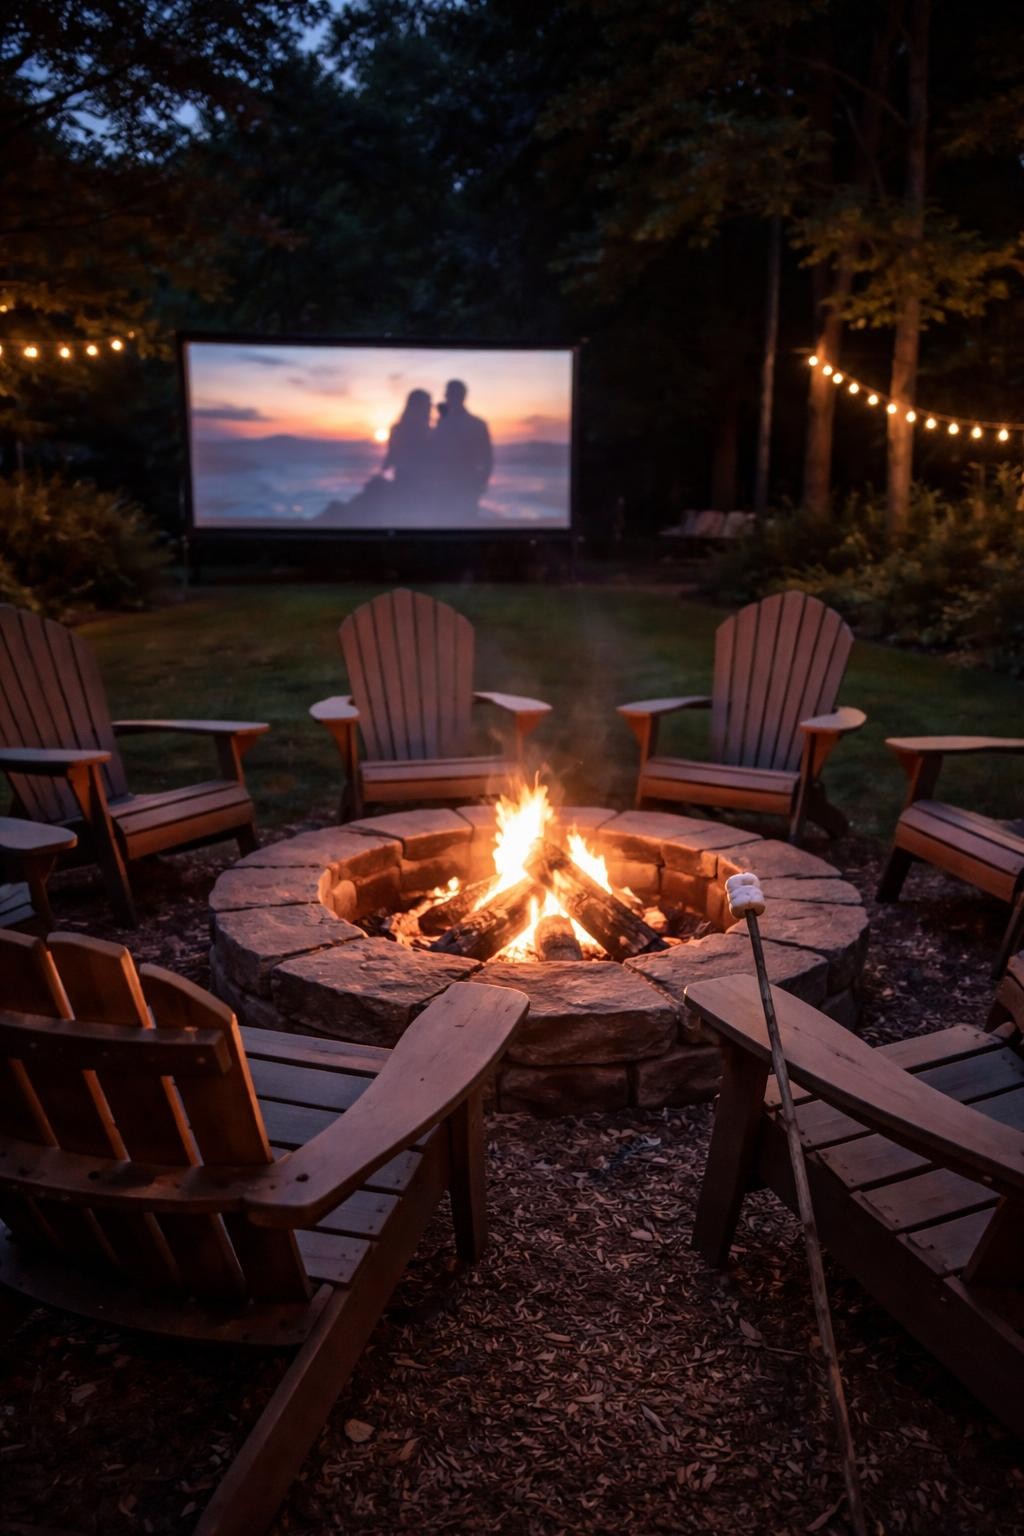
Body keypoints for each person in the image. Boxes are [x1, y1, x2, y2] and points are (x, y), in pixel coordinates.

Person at [432, 379, 493, 517]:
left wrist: (481, 482)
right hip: (445, 487)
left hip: (465, 486)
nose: (447, 397)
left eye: (449, 394)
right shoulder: (443, 423)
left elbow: (487, 458)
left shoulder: (476, 424)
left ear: (459, 396)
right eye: (447, 394)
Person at [382, 388, 433, 496]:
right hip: (420, 484)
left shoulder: (397, 429)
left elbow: (390, 459)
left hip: (404, 481)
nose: (430, 408)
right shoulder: (429, 432)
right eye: (428, 405)